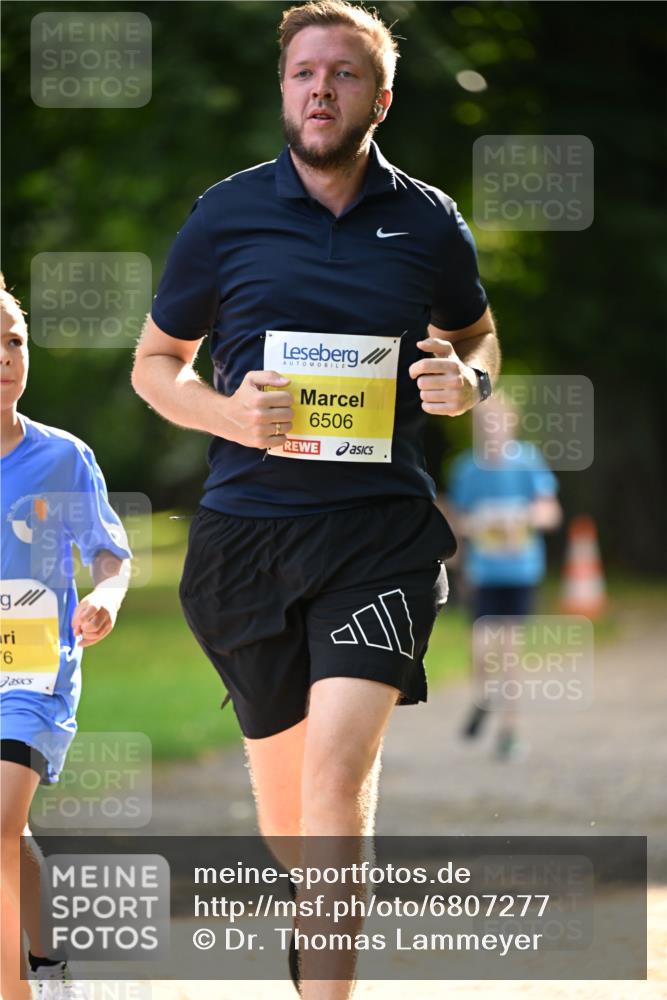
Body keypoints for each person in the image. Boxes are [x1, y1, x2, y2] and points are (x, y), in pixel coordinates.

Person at [131, 2, 499, 995]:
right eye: (303, 73)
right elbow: (155, 365)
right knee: (294, 820)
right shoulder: (226, 214)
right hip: (246, 543)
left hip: (379, 535)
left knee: (337, 777)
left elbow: (476, 336)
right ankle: (316, 937)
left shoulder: (426, 220)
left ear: (379, 97)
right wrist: (224, 414)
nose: (320, 88)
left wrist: (471, 385)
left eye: (342, 73)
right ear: (283, 91)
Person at [0, 274, 132, 1000]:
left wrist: (107, 594)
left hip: (33, 673)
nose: (4, 356)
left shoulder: (63, 458)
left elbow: (108, 554)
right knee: (7, 836)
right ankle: (53, 969)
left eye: (14, 341)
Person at [447, 394, 561, 758]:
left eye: (498, 421)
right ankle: (484, 698)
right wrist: (466, 540)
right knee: (481, 650)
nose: (492, 429)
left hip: (520, 572)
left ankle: (509, 732)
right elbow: (456, 521)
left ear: (511, 424)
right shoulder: (466, 469)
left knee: (508, 652)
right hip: (483, 574)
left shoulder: (528, 462)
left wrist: (524, 520)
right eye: (484, 423)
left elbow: (550, 512)